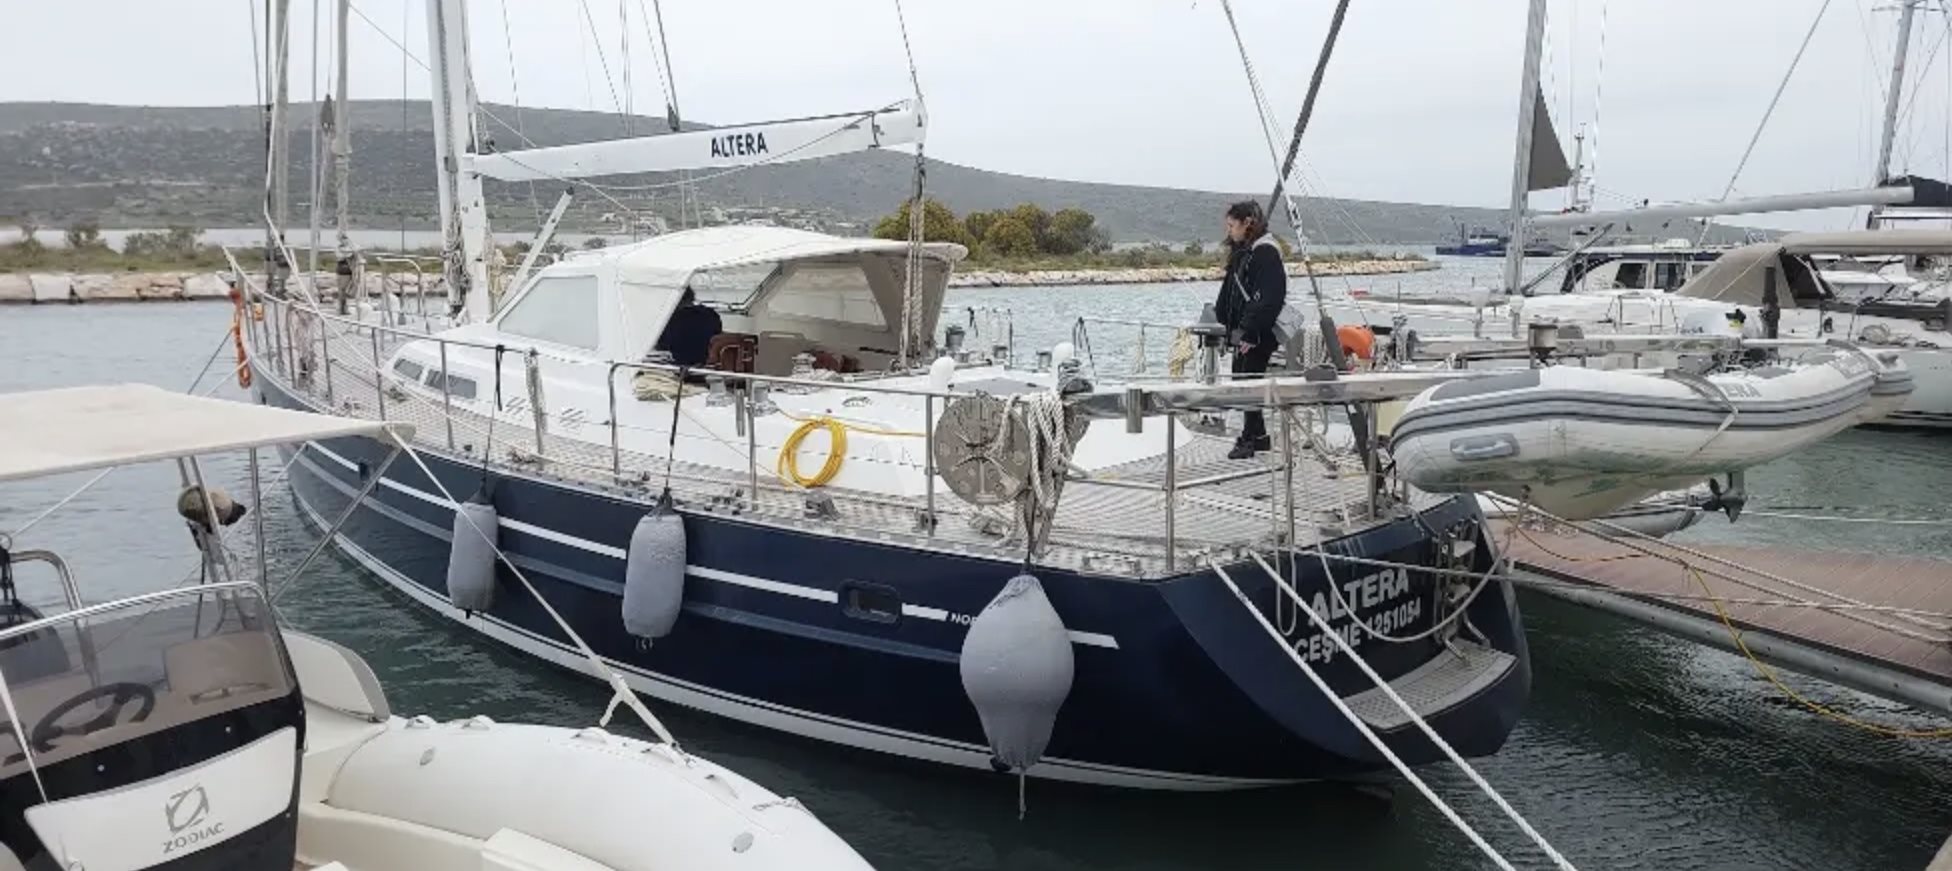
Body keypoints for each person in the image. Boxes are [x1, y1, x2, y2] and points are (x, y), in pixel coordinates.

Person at [1212, 200, 1287, 459]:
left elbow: (1268, 297)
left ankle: (1249, 438)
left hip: (1257, 332)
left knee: (1248, 381)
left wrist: (1250, 332)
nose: (1229, 231)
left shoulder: (1265, 252)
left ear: (1247, 224)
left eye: (1232, 225)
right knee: (1244, 377)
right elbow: (1233, 290)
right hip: (1247, 329)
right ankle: (1258, 436)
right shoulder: (1248, 251)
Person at [654, 287, 723, 368]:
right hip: (705, 364)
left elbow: (661, 345)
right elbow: (717, 336)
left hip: (677, 365)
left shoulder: (671, 319)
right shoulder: (711, 315)